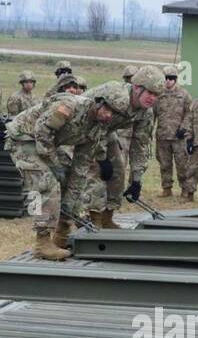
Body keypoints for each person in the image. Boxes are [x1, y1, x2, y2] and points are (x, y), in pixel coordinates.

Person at [6, 91, 116, 260]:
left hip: (48, 145)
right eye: (107, 110)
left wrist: (70, 202)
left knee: (68, 181)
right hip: (23, 138)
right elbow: (41, 133)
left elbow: (80, 168)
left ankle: (61, 235)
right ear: (99, 103)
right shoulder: (69, 106)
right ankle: (41, 242)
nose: (109, 116)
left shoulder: (96, 129)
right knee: (45, 184)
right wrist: (54, 164)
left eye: (113, 114)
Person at [85, 65, 163, 226]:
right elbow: (94, 126)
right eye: (150, 92)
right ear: (136, 88)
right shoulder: (117, 95)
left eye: (156, 95)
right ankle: (94, 219)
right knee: (98, 171)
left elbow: (140, 144)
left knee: (118, 170)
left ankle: (107, 219)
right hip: (82, 129)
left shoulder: (146, 111)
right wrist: (101, 158)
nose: (152, 98)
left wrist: (136, 180)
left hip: (105, 131)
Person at [153, 64, 192, 197]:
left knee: (182, 164)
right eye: (166, 78)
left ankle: (185, 189)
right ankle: (167, 188)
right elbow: (152, 114)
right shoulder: (158, 94)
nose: (168, 81)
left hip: (179, 137)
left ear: (175, 79)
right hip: (162, 136)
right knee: (164, 164)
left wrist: (183, 128)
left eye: (171, 78)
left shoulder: (184, 94)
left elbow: (189, 113)